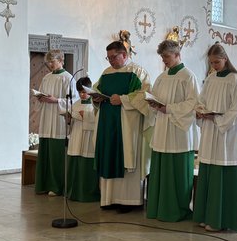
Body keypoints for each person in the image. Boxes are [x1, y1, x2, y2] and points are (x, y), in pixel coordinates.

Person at [193, 43, 237, 232]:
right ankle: (207, 216)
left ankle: (224, 219)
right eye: (211, 63)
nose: (214, 66)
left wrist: (218, 118)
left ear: (225, 59)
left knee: (224, 169)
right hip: (211, 130)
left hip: (229, 132)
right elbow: (201, 101)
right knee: (209, 169)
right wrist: (201, 112)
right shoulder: (210, 79)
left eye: (217, 62)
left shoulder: (235, 80)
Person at [93, 40, 152, 212]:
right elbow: (97, 89)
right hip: (107, 123)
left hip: (128, 125)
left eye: (113, 57)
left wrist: (123, 99)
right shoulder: (106, 73)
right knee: (109, 155)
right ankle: (110, 199)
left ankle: (129, 201)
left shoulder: (137, 72)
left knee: (126, 156)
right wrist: (95, 98)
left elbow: (144, 95)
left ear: (124, 55)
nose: (110, 61)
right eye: (108, 57)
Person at [146, 40, 199, 222]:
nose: (164, 60)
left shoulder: (188, 76)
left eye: (167, 57)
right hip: (162, 128)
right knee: (160, 171)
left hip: (179, 132)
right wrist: (152, 102)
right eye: (162, 57)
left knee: (177, 173)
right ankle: (158, 208)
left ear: (177, 55)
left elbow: (193, 103)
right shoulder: (162, 77)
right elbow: (155, 97)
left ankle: (177, 210)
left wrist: (168, 108)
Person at [34, 49, 76, 196]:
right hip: (47, 118)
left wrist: (56, 100)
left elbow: (73, 101)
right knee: (46, 152)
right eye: (49, 62)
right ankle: (43, 184)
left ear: (61, 60)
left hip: (59, 120)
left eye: (53, 61)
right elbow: (41, 94)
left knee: (57, 155)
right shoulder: (46, 78)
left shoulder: (68, 78)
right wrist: (40, 98)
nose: (51, 64)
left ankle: (57, 186)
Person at [66, 76, 100, 202]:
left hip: (88, 138)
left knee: (87, 167)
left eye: (84, 92)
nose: (82, 94)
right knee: (75, 165)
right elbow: (71, 121)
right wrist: (69, 118)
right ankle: (73, 192)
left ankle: (88, 194)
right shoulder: (75, 104)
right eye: (80, 92)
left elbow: (97, 119)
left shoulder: (95, 104)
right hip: (76, 136)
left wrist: (85, 115)